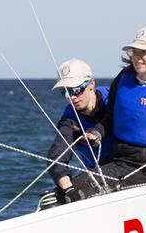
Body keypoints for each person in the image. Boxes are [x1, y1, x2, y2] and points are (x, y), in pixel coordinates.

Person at [68, 27, 146, 200]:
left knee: (82, 196)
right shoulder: (123, 78)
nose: (137, 57)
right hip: (119, 159)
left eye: (143, 52)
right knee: (68, 193)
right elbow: (111, 118)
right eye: (134, 52)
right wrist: (97, 132)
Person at [45, 58, 111, 205]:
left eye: (76, 90)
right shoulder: (69, 119)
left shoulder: (114, 100)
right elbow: (56, 157)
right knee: (51, 201)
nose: (72, 97)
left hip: (128, 165)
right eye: (65, 92)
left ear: (91, 84)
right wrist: (68, 190)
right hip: (97, 174)